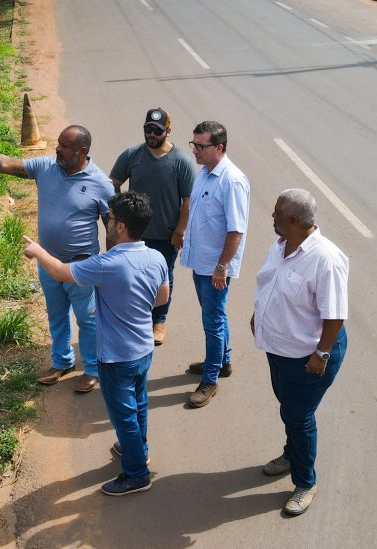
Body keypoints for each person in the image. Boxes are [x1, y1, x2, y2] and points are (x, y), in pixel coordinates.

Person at [0, 125, 114, 394]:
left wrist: (111, 266)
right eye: (58, 143)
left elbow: (113, 228)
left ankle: (92, 368)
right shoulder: (46, 167)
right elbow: (6, 163)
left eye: (64, 146)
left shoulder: (99, 183)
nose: (57, 149)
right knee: (56, 316)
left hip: (80, 266)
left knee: (88, 320)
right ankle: (62, 362)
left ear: (82, 152)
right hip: (47, 261)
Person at [23, 192, 169, 496]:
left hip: (116, 356)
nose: (108, 222)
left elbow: (60, 271)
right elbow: (162, 298)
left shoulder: (107, 264)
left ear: (122, 227)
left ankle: (137, 473)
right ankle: (138, 449)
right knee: (139, 403)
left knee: (123, 415)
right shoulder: (156, 257)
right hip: (143, 348)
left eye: (111, 219)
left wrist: (37, 250)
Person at [251, 189, 349, 516]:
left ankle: (305, 482)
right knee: (287, 407)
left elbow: (335, 315)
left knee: (298, 415)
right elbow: (269, 284)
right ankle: (291, 454)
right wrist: (259, 314)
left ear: (293, 220)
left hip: (309, 356)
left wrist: (321, 355)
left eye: (277, 213)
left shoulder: (326, 259)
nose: (272, 216)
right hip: (279, 349)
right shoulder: (281, 246)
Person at [179, 120, 250, 408]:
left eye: (200, 145)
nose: (194, 150)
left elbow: (236, 230)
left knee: (213, 321)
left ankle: (210, 379)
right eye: (193, 144)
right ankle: (223, 361)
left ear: (218, 148)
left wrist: (222, 267)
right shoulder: (204, 173)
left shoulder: (231, 181)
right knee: (215, 316)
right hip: (201, 261)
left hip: (215, 267)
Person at [110, 108, 195, 346]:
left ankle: (159, 320)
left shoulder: (181, 162)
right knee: (130, 276)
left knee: (162, 277)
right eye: (148, 129)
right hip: (134, 234)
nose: (152, 135)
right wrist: (119, 214)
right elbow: (113, 183)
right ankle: (135, 318)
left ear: (167, 131)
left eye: (157, 131)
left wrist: (179, 231)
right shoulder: (132, 155)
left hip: (165, 235)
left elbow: (189, 201)